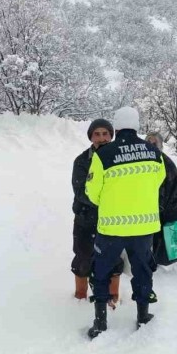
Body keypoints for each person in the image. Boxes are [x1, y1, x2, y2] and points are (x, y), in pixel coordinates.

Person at [83, 106, 166, 339]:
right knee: (142, 270)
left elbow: (92, 192)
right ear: (137, 125)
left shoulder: (103, 155)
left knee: (101, 272)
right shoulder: (153, 151)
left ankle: (100, 323)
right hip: (144, 227)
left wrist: (112, 202)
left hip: (111, 227)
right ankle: (142, 316)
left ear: (116, 127)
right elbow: (158, 181)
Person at [71, 119, 123, 303]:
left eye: (105, 134)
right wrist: (105, 201)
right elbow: (80, 191)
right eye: (97, 134)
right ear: (91, 137)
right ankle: (80, 296)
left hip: (113, 219)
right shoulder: (82, 161)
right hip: (85, 218)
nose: (101, 138)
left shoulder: (120, 158)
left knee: (113, 259)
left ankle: (113, 297)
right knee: (83, 256)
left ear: (111, 135)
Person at [145, 132, 177, 274]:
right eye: (148, 141)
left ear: (160, 145)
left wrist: (170, 209)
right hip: (145, 209)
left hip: (164, 208)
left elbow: (175, 187)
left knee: (161, 238)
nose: (151, 145)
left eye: (154, 143)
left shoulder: (166, 163)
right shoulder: (141, 162)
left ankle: (157, 261)